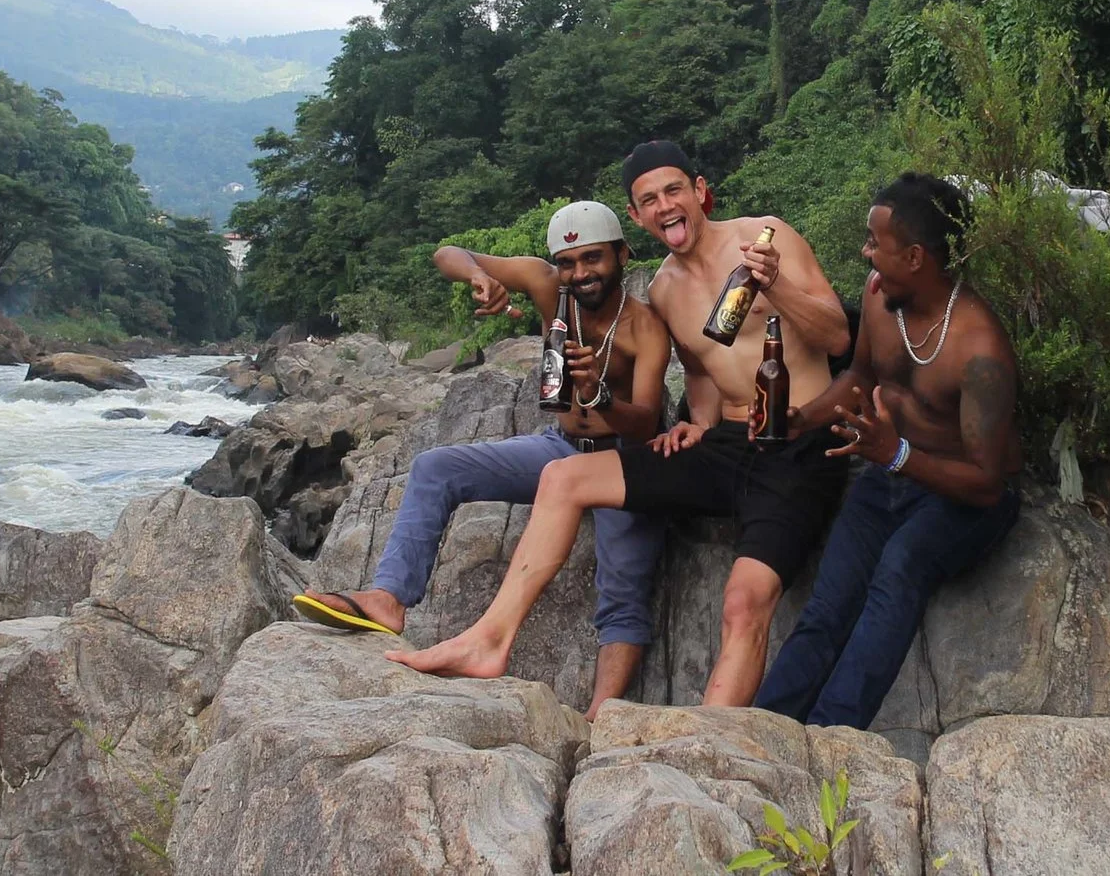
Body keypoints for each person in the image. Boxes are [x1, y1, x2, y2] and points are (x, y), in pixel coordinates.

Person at [389, 140, 853, 706]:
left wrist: (775, 283)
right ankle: (489, 640)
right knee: (563, 477)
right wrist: (698, 423)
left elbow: (837, 337)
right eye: (649, 199)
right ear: (636, 216)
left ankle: (710, 737)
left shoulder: (763, 237)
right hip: (726, 443)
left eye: (674, 190)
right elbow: (703, 369)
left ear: (699, 191)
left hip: (798, 440)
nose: (665, 206)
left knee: (743, 600)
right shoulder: (665, 289)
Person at [291, 199, 671, 716]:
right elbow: (448, 253)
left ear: (622, 255)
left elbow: (646, 422)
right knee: (436, 467)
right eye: (568, 262)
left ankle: (603, 717)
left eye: (593, 258)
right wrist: (479, 277)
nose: (580, 273)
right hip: (561, 446)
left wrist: (598, 395)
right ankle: (389, 598)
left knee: (623, 587)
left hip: (620, 460)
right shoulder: (547, 287)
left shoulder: (644, 327)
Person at [753, 172, 1021, 730]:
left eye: (875, 243)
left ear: (916, 257)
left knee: (899, 569)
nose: (865, 253)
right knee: (830, 601)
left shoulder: (979, 346)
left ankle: (831, 739)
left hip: (960, 495)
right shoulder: (880, 298)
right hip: (889, 472)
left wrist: (896, 454)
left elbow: (986, 483)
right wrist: (801, 420)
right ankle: (767, 731)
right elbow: (860, 376)